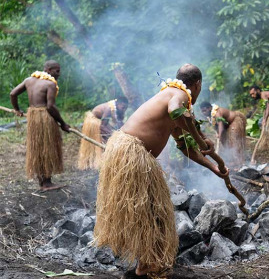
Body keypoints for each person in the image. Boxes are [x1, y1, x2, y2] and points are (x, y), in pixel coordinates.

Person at [94, 64, 228, 279]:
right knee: (148, 211)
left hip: (131, 154)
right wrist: (201, 138)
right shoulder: (178, 94)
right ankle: (146, 265)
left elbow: (187, 148)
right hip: (131, 154)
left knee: (152, 211)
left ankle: (145, 264)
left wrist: (213, 167)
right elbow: (176, 108)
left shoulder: (175, 105)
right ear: (198, 84)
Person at [10, 60, 70, 191]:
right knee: (47, 147)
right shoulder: (50, 84)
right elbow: (50, 107)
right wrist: (63, 123)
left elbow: (13, 93)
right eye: (57, 70)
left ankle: (42, 182)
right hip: (44, 118)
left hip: (33, 117)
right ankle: (47, 183)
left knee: (37, 148)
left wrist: (17, 109)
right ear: (48, 70)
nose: (59, 74)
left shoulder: (28, 80)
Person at [77, 96, 128, 170]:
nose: (124, 110)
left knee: (112, 134)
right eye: (123, 107)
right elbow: (102, 127)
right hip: (93, 122)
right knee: (108, 137)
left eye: (125, 108)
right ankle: (99, 161)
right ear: (118, 103)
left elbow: (119, 123)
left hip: (101, 122)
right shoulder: (109, 108)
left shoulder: (117, 108)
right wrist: (113, 135)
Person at [200, 101, 247, 167]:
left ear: (209, 108)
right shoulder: (210, 116)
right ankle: (234, 161)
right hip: (227, 127)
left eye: (204, 111)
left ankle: (241, 163)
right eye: (202, 111)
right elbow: (216, 126)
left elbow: (220, 125)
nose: (203, 113)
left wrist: (220, 135)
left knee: (235, 143)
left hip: (234, 121)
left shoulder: (217, 113)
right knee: (227, 144)